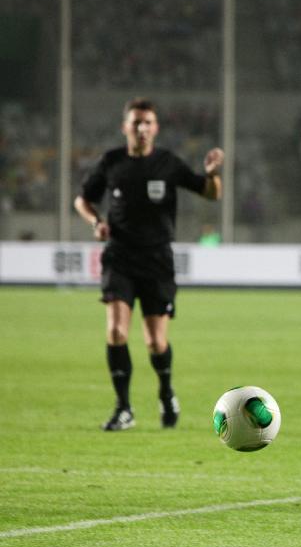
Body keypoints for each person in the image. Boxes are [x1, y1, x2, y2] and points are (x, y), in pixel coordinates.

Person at [74, 98, 224, 431]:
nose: (141, 128)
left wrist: (213, 176)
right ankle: (123, 408)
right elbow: (82, 199)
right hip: (119, 257)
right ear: (125, 127)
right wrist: (95, 222)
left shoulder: (168, 163)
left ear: (155, 128)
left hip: (157, 260)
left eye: (148, 123)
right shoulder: (111, 162)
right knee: (115, 331)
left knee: (155, 342)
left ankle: (166, 392)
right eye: (136, 122)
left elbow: (210, 194)